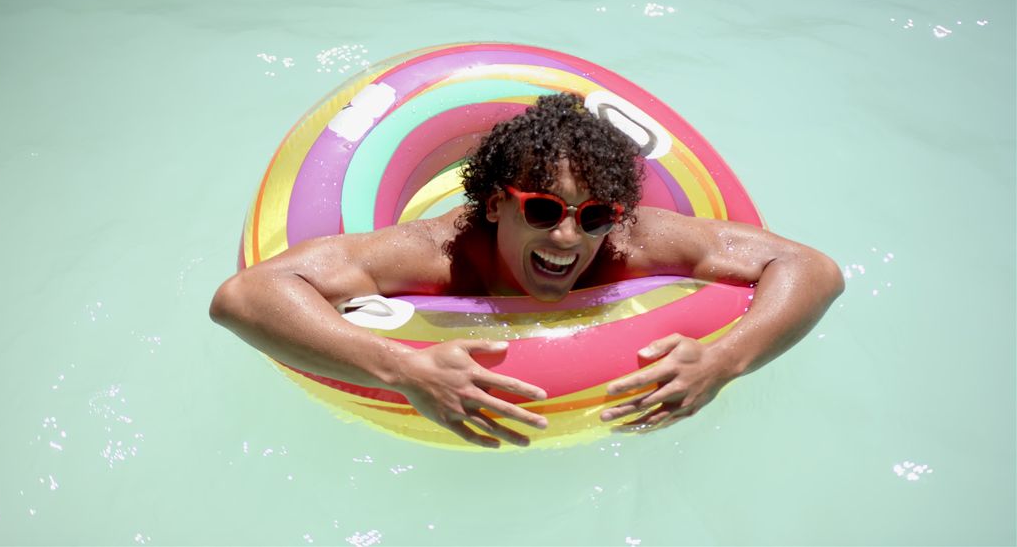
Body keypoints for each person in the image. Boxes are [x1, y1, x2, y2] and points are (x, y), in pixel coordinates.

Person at [210, 93, 844, 449]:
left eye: (593, 216)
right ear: (493, 204)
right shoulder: (438, 252)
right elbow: (244, 295)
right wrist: (402, 366)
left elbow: (810, 267)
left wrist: (726, 359)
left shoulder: (632, 241)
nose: (568, 236)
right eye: (542, 210)